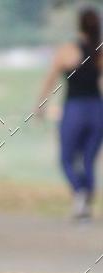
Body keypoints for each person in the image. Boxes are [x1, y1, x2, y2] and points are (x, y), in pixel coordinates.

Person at [36, 6, 103, 219]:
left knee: (66, 157)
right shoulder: (99, 51)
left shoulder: (68, 50)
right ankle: (85, 202)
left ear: (79, 24)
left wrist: (40, 104)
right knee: (88, 159)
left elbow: (50, 78)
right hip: (97, 109)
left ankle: (79, 193)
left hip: (74, 109)